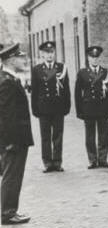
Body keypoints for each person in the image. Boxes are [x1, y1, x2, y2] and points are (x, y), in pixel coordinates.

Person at [0, 43, 33, 224]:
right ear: (11, 60)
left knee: (13, 174)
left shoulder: (9, 79)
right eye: (20, 57)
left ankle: (10, 210)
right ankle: (7, 212)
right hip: (14, 140)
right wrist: (10, 142)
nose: (24, 59)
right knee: (12, 175)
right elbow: (6, 117)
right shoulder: (6, 82)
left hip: (16, 138)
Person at [31, 41, 70, 173]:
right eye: (47, 53)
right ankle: (47, 163)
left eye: (52, 52)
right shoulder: (36, 69)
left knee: (58, 136)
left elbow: (66, 89)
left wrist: (67, 106)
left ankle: (57, 162)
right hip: (43, 109)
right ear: (42, 54)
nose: (50, 55)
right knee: (45, 137)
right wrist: (34, 109)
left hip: (58, 108)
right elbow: (35, 91)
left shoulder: (61, 68)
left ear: (54, 53)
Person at [75, 46, 108, 169]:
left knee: (103, 135)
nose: (95, 60)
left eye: (97, 57)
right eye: (92, 57)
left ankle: (103, 159)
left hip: (102, 108)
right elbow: (78, 93)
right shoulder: (82, 73)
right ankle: (92, 160)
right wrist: (79, 110)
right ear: (88, 58)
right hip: (88, 108)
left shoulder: (105, 72)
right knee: (90, 135)